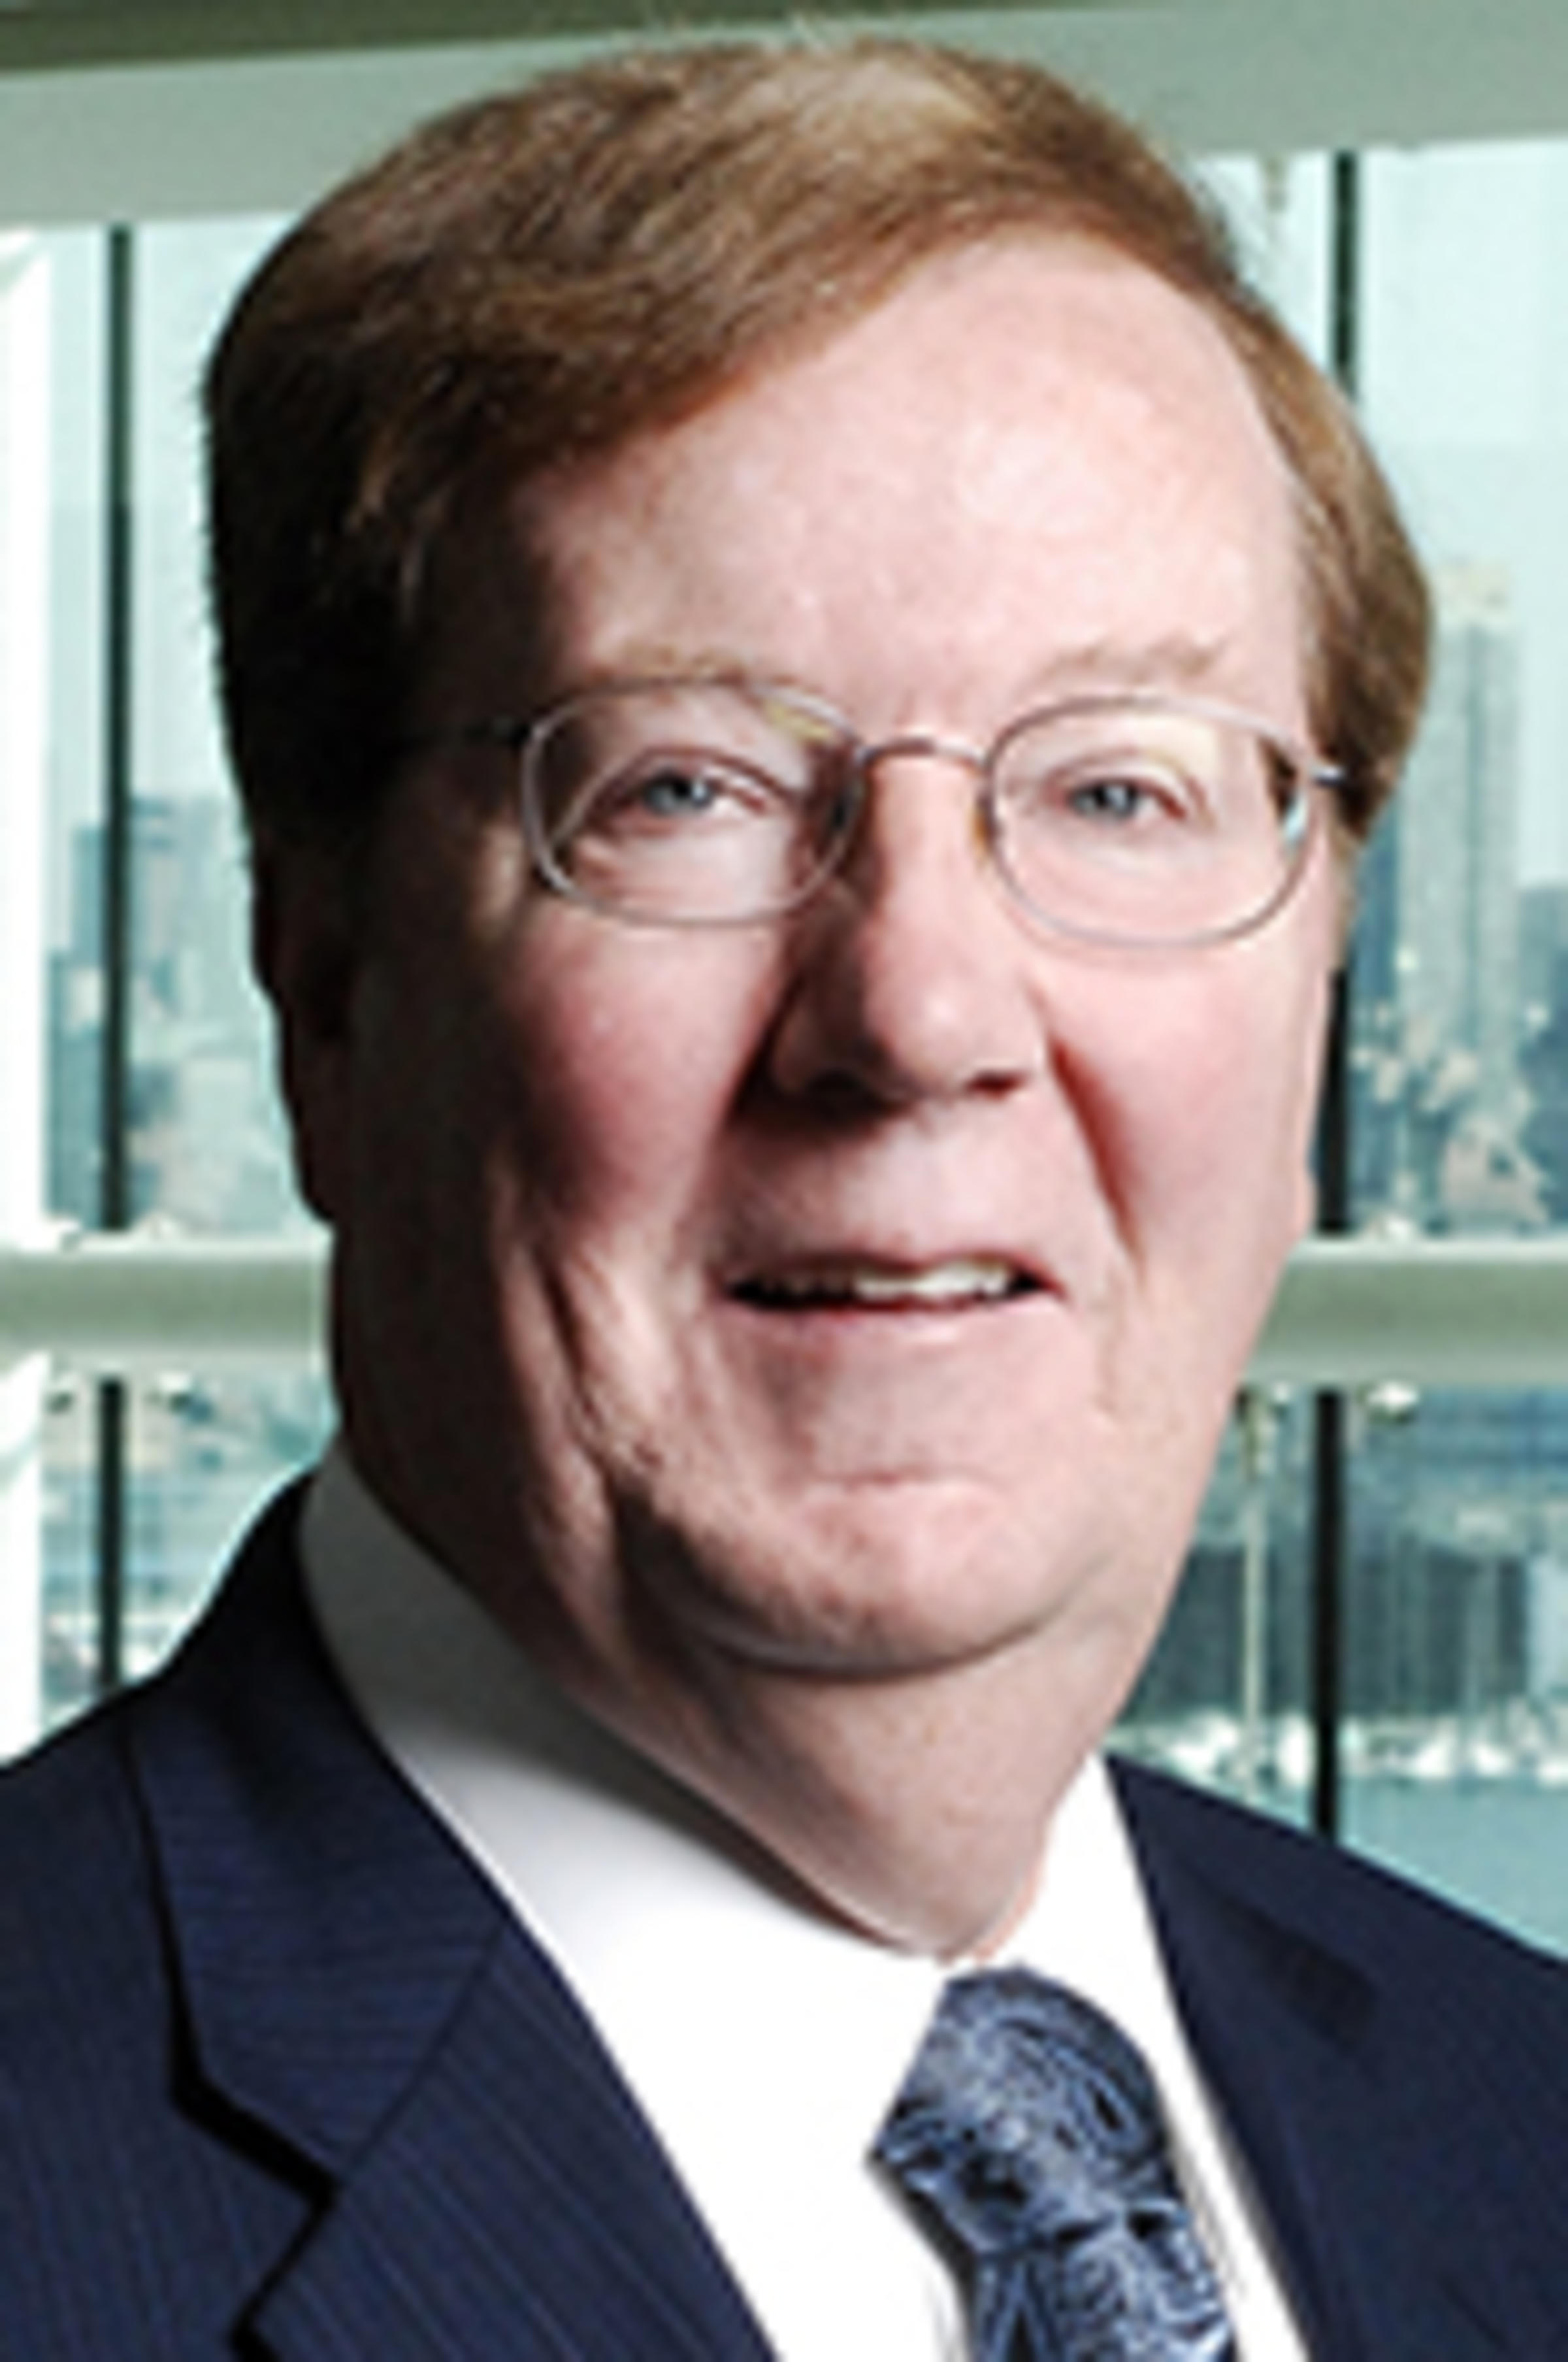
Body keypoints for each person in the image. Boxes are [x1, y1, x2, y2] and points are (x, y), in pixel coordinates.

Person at [4, 35, 1567, 2361]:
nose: (922, 1009)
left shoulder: (1515, 2112)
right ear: (328, 998)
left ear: (1318, 980)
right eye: (689, 789)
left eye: (1121, 795)